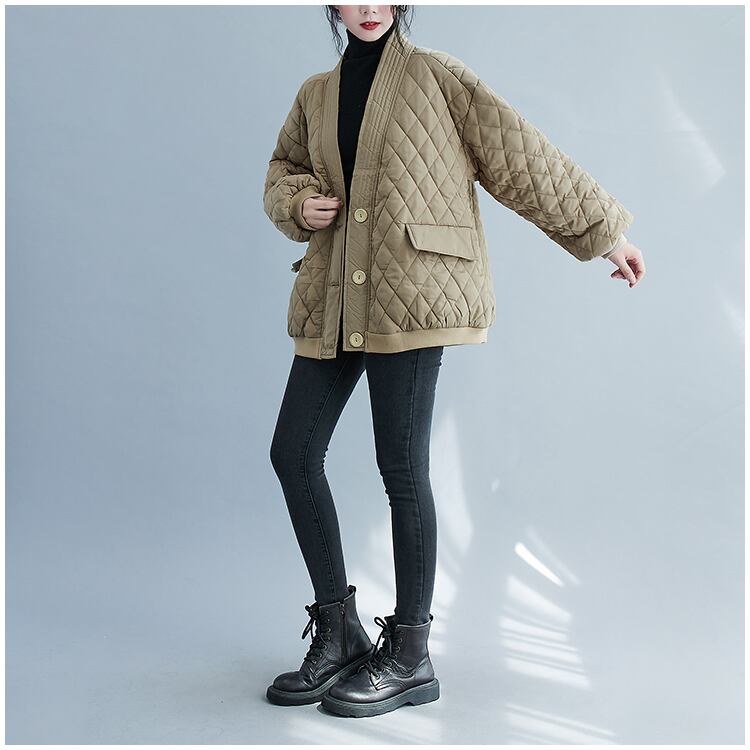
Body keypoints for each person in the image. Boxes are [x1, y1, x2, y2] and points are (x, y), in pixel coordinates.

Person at [262, 5, 645, 719]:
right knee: (293, 452)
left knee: (400, 467)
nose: (369, 7)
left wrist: (605, 233)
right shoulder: (316, 93)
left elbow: (521, 157)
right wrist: (299, 202)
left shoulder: (439, 77)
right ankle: (339, 632)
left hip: (415, 294)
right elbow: (283, 171)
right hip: (337, 294)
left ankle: (410, 653)